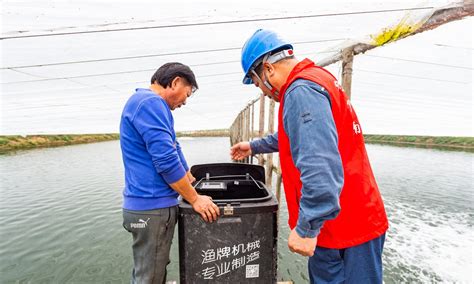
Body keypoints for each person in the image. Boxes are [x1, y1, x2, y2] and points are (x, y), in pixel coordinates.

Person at [231, 30, 388, 283]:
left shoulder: (300, 92)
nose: (262, 91)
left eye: (257, 82)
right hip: (352, 219)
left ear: (268, 69)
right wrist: (254, 146)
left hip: (345, 229)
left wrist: (306, 228)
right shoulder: (318, 79)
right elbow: (295, 136)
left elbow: (320, 165)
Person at [120, 62, 220, 284]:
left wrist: (187, 173)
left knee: (151, 268)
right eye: (186, 94)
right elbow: (165, 161)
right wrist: (195, 199)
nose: (185, 102)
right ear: (175, 82)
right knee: (150, 276)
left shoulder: (146, 103)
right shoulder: (151, 104)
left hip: (145, 207)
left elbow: (172, 146)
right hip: (151, 208)